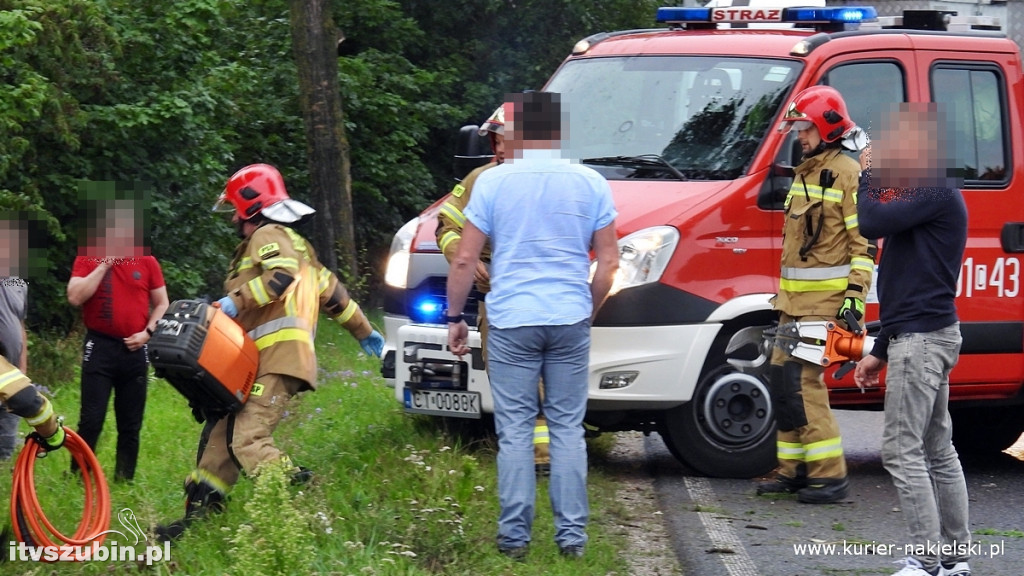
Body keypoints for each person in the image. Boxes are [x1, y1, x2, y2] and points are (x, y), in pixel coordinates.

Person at [156, 163, 384, 541]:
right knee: (220, 443)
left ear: (251, 206)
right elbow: (337, 296)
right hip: (261, 362)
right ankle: (198, 521)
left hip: (276, 359)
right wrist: (365, 331)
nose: (232, 216)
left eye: (234, 208)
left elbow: (280, 277)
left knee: (247, 439)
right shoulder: (302, 249)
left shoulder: (268, 233)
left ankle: (301, 502)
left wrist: (233, 302)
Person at [446, 91, 619, 559]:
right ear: (558, 134)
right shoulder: (591, 182)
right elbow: (607, 264)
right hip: (568, 318)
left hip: (511, 319)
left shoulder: (493, 183)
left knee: (516, 430)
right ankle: (572, 540)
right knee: (566, 428)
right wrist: (588, 308)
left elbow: (464, 260)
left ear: (517, 134)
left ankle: (514, 539)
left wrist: (455, 318)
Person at [854, 103, 970, 576]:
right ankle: (954, 559)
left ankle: (926, 560)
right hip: (923, 335)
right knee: (937, 449)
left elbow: (870, 221)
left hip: (922, 342)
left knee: (903, 451)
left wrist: (865, 174)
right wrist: (878, 352)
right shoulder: (925, 193)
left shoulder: (934, 190)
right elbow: (908, 287)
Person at [756, 85, 873, 504]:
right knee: (783, 380)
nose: (798, 136)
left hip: (824, 304)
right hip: (792, 304)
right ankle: (794, 470)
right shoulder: (807, 170)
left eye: (803, 128)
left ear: (826, 128)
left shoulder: (847, 172)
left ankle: (829, 475)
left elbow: (863, 244)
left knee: (804, 383)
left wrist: (853, 299)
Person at [437, 105, 551, 476]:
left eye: (510, 142)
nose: (501, 150)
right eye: (496, 141)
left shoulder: (552, 184)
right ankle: (527, 454)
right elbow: (446, 225)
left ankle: (543, 454)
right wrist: (463, 256)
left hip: (541, 298)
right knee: (505, 374)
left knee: (538, 373)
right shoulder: (479, 180)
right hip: (495, 301)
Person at [67, 195, 170, 482]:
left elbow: (162, 303)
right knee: (91, 420)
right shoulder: (88, 257)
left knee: (130, 424)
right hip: (99, 347)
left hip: (135, 349)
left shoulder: (147, 260)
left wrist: (147, 334)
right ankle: (79, 477)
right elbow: (75, 297)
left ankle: (124, 479)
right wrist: (103, 265)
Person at [0, 217, 30, 460]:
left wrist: (22, 368)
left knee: (8, 435)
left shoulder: (18, 283)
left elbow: (21, 326)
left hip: (12, 373)